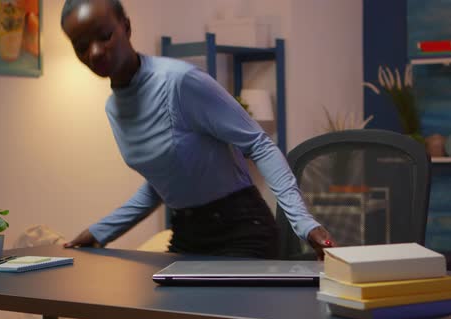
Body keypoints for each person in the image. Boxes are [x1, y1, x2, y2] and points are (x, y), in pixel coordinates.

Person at [60, 0, 337, 261]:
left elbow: (259, 144)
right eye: (81, 46)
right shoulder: (114, 109)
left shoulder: (179, 82)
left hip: (241, 232)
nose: (95, 52)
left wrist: (304, 223)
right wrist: (99, 232)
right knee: (157, 311)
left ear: (127, 27)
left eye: (105, 36)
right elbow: (162, 185)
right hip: (187, 234)